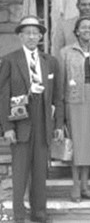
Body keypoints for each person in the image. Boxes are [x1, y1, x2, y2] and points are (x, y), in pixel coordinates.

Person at [0, 16, 64, 223]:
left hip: (44, 120)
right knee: (20, 172)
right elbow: (3, 95)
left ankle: (39, 213)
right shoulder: (10, 60)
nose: (31, 36)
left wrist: (59, 125)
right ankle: (19, 215)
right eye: (27, 33)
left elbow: (58, 96)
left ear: (40, 37)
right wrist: (7, 127)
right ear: (20, 36)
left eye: (35, 33)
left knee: (39, 171)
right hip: (20, 121)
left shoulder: (50, 61)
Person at [59, 17, 90, 202]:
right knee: (77, 143)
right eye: (83, 27)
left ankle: (85, 184)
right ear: (76, 31)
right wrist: (61, 104)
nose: (87, 30)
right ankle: (76, 185)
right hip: (74, 99)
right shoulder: (65, 52)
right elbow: (61, 80)